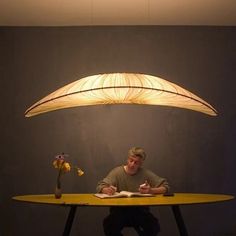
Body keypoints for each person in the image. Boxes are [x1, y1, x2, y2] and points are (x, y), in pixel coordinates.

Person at [96, 147, 169, 236]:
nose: (132, 164)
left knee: (153, 225)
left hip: (140, 212)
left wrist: (151, 190)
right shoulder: (117, 172)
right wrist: (106, 190)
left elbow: (165, 186)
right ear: (127, 159)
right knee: (109, 224)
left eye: (136, 163)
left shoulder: (145, 173)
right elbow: (100, 186)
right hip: (119, 212)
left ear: (141, 164)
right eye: (131, 160)